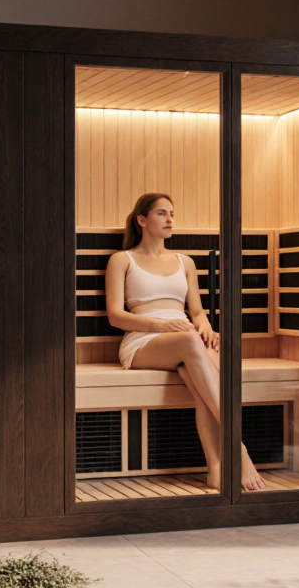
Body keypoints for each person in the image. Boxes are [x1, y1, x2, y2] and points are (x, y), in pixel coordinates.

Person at [104, 193, 265, 492]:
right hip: (144, 340)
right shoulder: (121, 260)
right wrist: (162, 325)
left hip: (185, 338)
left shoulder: (185, 262)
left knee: (202, 379)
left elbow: (197, 312)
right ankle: (239, 449)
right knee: (194, 347)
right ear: (142, 220)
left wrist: (208, 330)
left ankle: (216, 468)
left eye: (172, 214)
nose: (169, 220)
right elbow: (115, 316)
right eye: (162, 213)